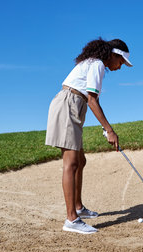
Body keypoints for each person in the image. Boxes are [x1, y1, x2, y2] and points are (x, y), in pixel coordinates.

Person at [45, 38, 133, 234]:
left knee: (80, 160)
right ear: (114, 55)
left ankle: (78, 208)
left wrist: (104, 128)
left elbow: (89, 99)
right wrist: (109, 130)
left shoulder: (93, 63)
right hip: (69, 104)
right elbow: (92, 99)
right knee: (71, 163)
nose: (120, 67)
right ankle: (72, 220)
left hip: (73, 104)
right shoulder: (98, 64)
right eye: (121, 62)